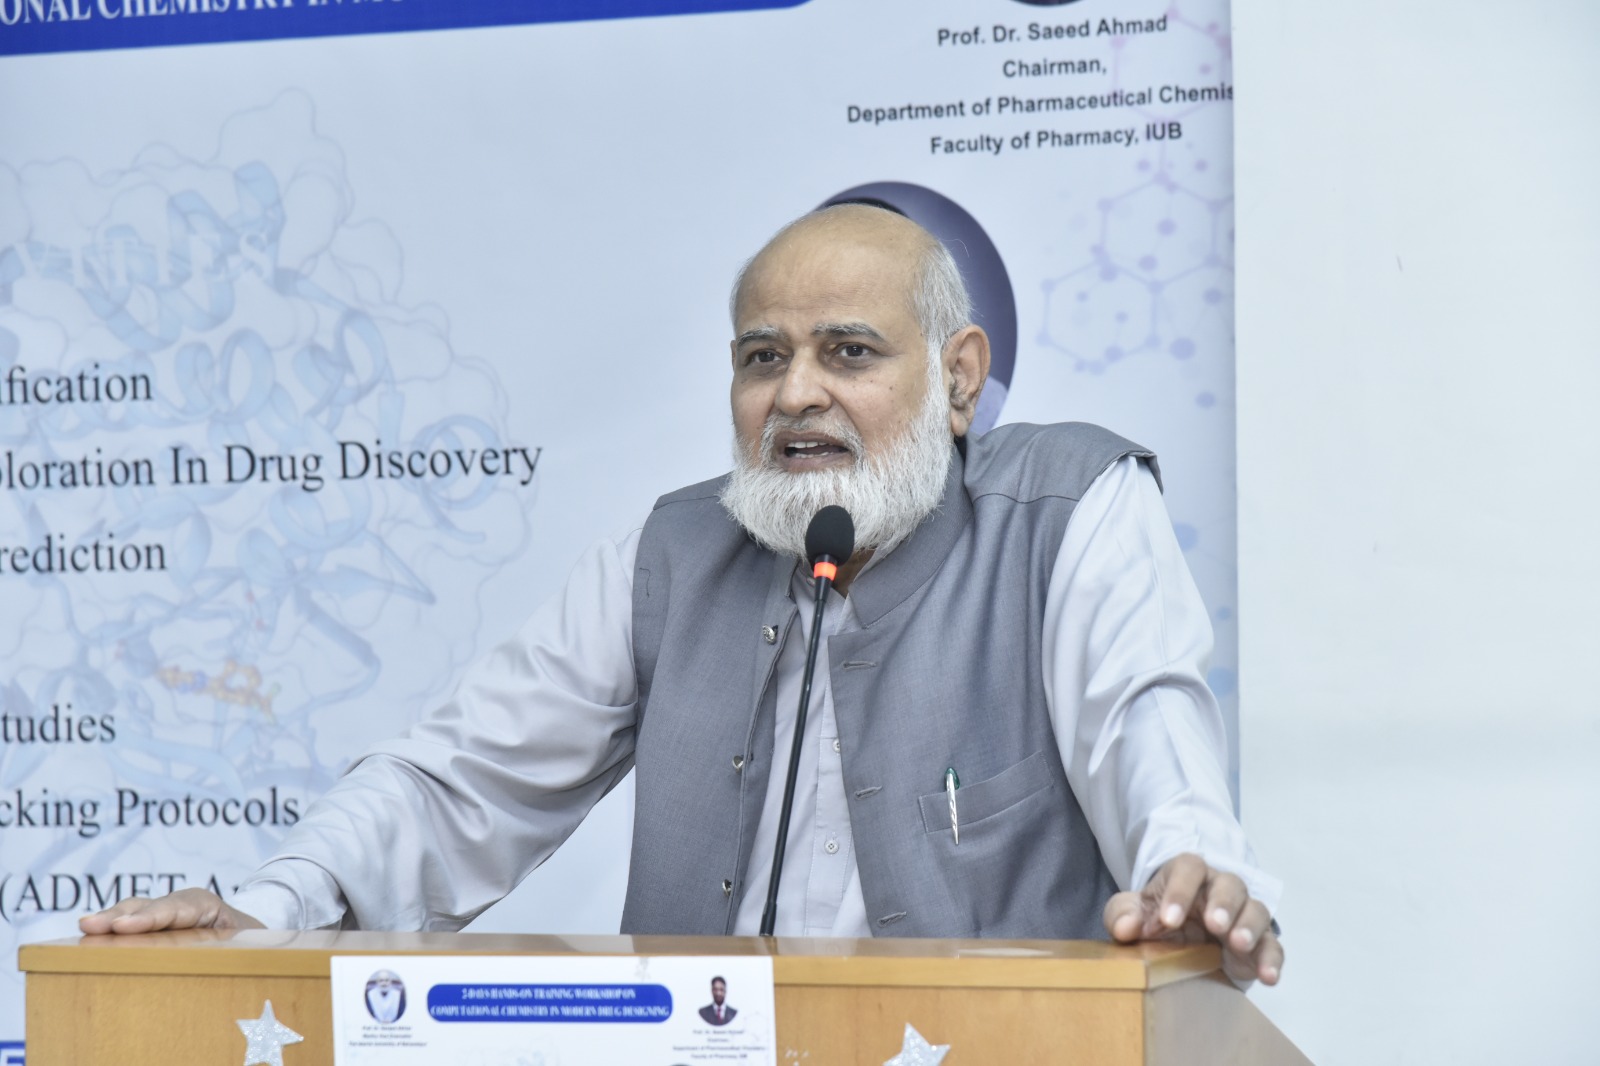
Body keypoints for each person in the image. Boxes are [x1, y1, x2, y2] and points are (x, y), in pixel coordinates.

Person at [81, 204, 1284, 986]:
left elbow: (1145, 732)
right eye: (763, 358)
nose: (795, 394)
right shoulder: (675, 550)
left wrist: (1190, 872)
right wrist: (267, 909)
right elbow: (458, 779)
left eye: (847, 351)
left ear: (959, 379)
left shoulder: (1069, 509)